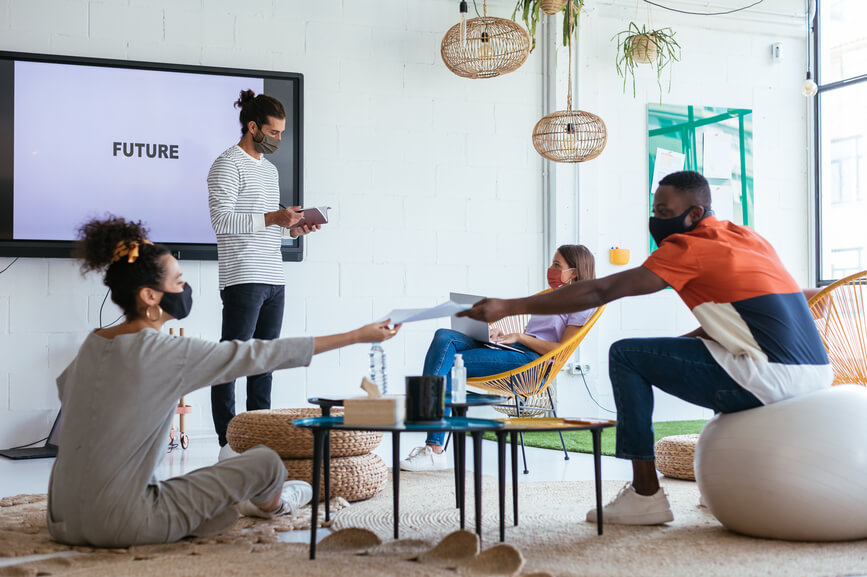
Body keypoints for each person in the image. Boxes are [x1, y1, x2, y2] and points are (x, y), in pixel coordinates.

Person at [459, 170, 832, 525]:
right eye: (654, 211)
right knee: (653, 353)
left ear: (695, 213)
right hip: (814, 372)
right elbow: (732, 323)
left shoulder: (689, 246)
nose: (657, 220)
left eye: (665, 212)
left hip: (770, 374)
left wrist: (509, 306)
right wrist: (670, 350)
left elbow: (600, 290)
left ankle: (645, 494)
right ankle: (728, 483)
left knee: (625, 354)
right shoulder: (746, 238)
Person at [46, 217, 399, 547]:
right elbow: (260, 354)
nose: (185, 288)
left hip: (59, 520)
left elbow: (70, 394)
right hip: (118, 523)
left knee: (194, 492)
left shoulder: (93, 344)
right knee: (265, 462)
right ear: (150, 296)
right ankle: (275, 505)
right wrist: (357, 335)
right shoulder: (163, 352)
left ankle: (231, 506)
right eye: (179, 281)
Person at [400, 245, 597, 472]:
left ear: (574, 272)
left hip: (531, 364)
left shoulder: (582, 304)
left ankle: (433, 446)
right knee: (443, 336)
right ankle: (432, 442)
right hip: (513, 350)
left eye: (556, 265)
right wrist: (495, 334)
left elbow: (561, 349)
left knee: (447, 360)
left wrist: (519, 336)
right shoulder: (550, 298)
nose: (550, 269)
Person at [208, 90, 319, 460]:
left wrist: (291, 228)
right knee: (231, 361)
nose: (278, 140)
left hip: (274, 275)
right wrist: (274, 216)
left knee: (264, 363)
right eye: (273, 132)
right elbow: (222, 222)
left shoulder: (269, 171)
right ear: (252, 127)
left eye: (282, 134)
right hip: (242, 276)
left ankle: (256, 438)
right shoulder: (226, 165)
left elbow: (261, 223)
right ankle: (227, 442)